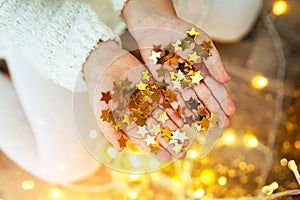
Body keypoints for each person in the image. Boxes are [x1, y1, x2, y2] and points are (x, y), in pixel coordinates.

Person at [0, 0, 262, 184]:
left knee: (235, 18)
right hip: (35, 23)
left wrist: (149, 11)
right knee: (68, 164)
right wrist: (93, 56)